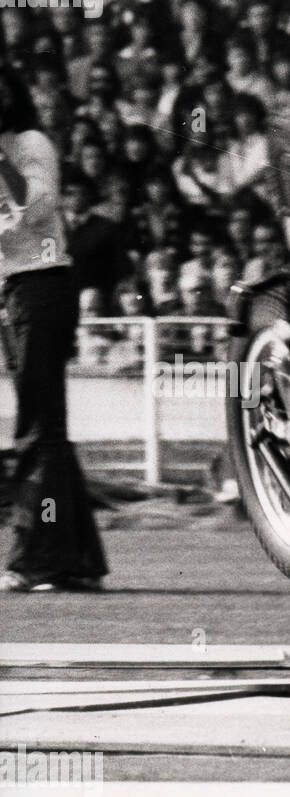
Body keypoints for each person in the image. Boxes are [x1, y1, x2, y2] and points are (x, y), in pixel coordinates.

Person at [0, 67, 107, 592]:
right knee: (48, 428)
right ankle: (73, 558)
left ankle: (36, 556)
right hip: (19, 288)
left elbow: (36, 207)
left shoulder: (29, 143)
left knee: (37, 425)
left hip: (41, 283)